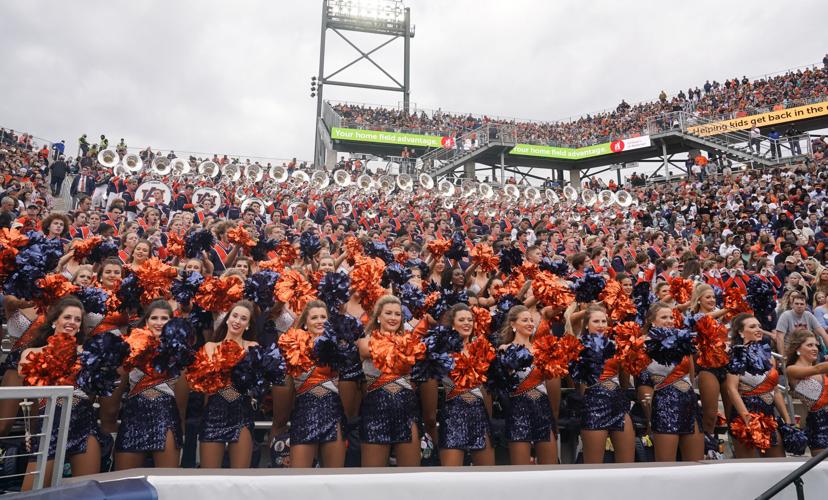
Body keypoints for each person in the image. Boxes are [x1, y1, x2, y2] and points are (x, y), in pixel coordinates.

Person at [113, 300, 186, 470]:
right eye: (154, 318)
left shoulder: (179, 351)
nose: (159, 322)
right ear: (146, 322)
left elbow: (182, 406)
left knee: (167, 484)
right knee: (126, 483)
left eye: (164, 318)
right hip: (133, 416)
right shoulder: (130, 347)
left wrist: (180, 433)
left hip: (166, 418)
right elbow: (116, 389)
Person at [273, 300, 347, 468]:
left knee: (333, 480)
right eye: (314, 317)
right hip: (304, 416)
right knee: (299, 480)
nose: (320, 321)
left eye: (323, 317)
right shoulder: (292, 345)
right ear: (305, 323)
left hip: (333, 416)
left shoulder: (338, 345)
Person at [356, 295, 423, 467]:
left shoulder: (410, 341)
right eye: (388, 313)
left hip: (407, 411)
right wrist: (405, 348)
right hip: (375, 412)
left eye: (397, 314)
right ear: (378, 317)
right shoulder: (365, 340)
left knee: (410, 476)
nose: (393, 318)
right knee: (372, 479)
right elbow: (366, 350)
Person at [195, 300, 259, 468]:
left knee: (240, 477)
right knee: (209, 477)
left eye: (243, 318)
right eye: (235, 316)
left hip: (241, 411)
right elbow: (204, 383)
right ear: (227, 319)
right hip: (214, 411)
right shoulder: (210, 347)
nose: (237, 321)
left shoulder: (253, 347)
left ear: (248, 325)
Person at [641, 302, 704, 461]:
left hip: (688, 402)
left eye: (671, 317)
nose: (669, 320)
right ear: (652, 321)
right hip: (664, 405)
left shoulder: (682, 341)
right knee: (666, 466)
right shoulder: (642, 343)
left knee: (696, 464)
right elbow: (641, 380)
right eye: (664, 317)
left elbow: (690, 377)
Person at [725, 313, 791, 458]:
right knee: (748, 467)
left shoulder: (769, 356)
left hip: (769, 415)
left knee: (778, 463)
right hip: (746, 416)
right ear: (741, 332)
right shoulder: (736, 354)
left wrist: (787, 419)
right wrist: (747, 418)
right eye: (752, 326)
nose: (758, 329)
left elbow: (775, 391)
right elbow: (731, 389)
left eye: (759, 326)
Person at [500, 305, 558, 465]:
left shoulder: (542, 350)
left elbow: (553, 386)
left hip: (543, 410)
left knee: (550, 469)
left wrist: (554, 416)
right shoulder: (504, 350)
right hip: (518, 412)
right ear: (513, 324)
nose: (530, 323)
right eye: (524, 320)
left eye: (532, 320)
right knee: (521, 472)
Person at [579, 305, 635, 464]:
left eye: (604, 321)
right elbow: (579, 383)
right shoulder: (578, 347)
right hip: (593, 407)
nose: (601, 324)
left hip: (618, 405)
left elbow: (625, 381)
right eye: (596, 321)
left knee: (626, 465)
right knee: (594, 466)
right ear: (586, 324)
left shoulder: (617, 345)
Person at [786, 329, 828, 456]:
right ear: (798, 349)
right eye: (810, 345)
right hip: (819, 425)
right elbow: (817, 368)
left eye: (816, 345)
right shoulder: (791, 369)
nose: (815, 348)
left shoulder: (821, 371)